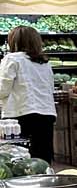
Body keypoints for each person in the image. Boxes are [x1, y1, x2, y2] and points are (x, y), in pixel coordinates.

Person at [0, 25, 56, 163]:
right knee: (42, 158)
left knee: (18, 158)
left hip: (20, 114)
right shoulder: (45, 62)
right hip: (46, 114)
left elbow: (2, 89)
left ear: (14, 41)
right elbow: (50, 87)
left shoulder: (12, 59)